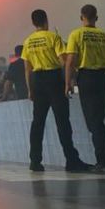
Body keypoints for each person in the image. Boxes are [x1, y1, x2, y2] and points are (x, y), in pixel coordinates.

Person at [22, 9, 90, 173]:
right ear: (46, 21)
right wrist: (70, 78)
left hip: (37, 81)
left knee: (37, 122)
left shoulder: (28, 41)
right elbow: (63, 61)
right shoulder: (53, 37)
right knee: (62, 121)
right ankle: (71, 160)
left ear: (33, 23)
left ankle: (35, 161)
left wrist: (30, 90)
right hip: (53, 79)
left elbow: (27, 69)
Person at [64, 5, 105, 174]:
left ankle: (103, 161)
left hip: (86, 77)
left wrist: (68, 82)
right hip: (102, 77)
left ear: (82, 17)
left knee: (94, 122)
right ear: (97, 17)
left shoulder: (76, 34)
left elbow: (71, 60)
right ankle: (102, 160)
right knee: (97, 119)